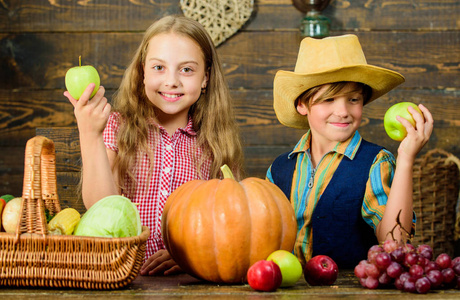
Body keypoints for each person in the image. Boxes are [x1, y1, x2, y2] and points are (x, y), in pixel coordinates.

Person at [64, 15, 244, 275]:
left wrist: (190, 253)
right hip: (122, 277)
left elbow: (233, 224)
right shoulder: (119, 127)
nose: (172, 81)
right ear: (142, 73)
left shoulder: (216, 144)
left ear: (205, 78)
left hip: (190, 283)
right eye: (159, 67)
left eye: (187, 69)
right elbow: (100, 207)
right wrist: (90, 134)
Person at [266, 34, 433, 268]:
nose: (343, 111)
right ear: (302, 105)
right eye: (329, 99)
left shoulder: (376, 163)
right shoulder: (278, 169)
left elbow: (395, 245)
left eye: (353, 99)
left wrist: (406, 158)